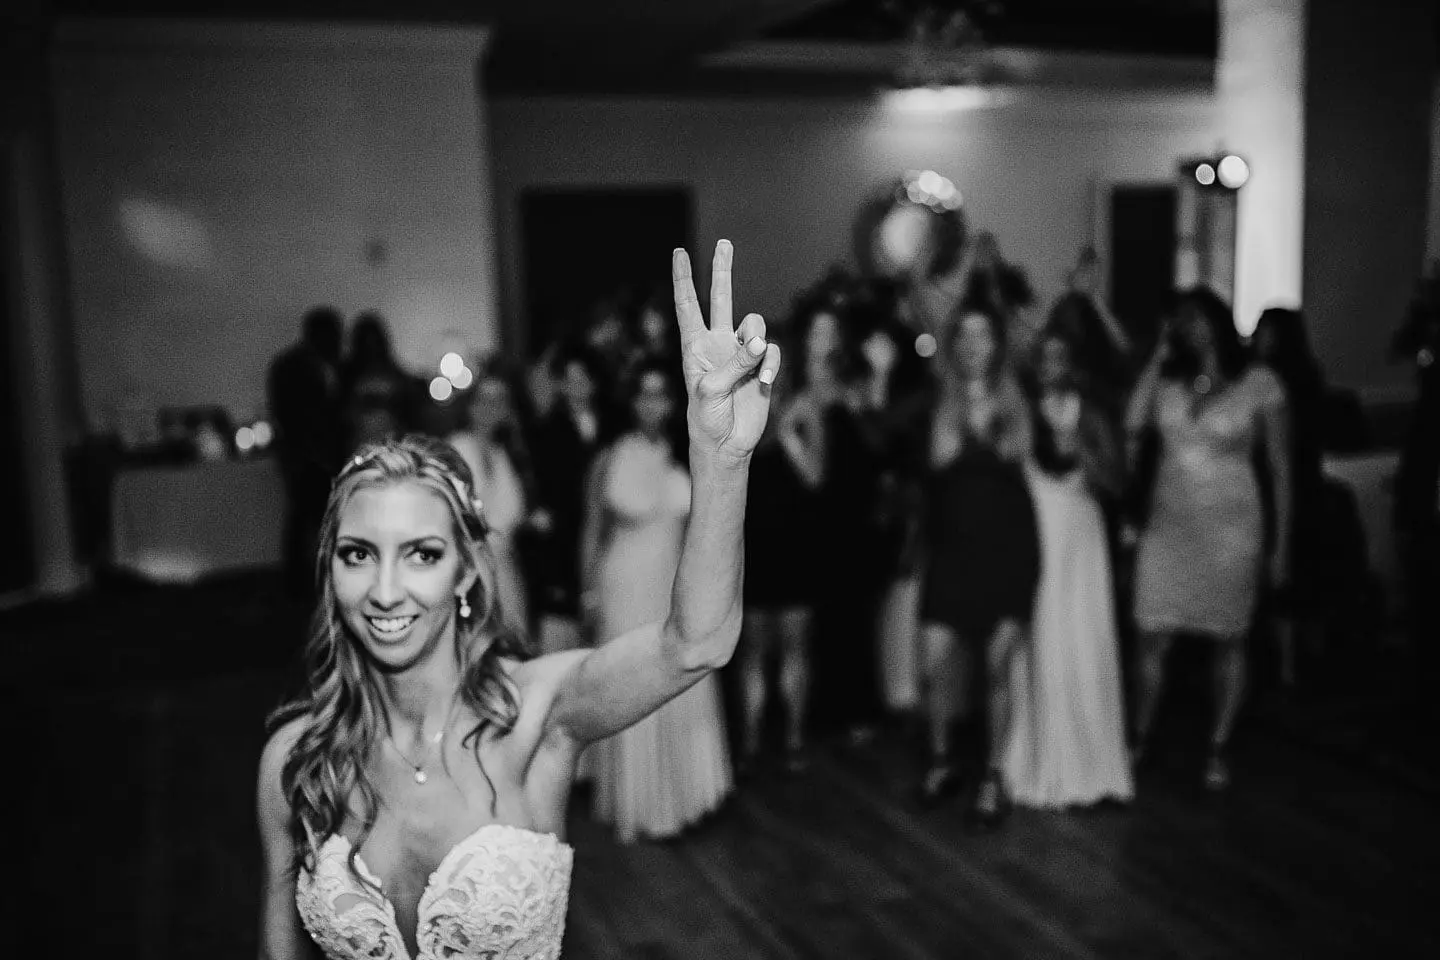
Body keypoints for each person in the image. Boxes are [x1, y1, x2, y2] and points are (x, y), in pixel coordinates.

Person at [255, 241, 781, 960]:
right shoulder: (293, 760)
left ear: (467, 573)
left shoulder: (537, 715)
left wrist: (720, 459)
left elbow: (698, 643)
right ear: (329, 572)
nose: (385, 589)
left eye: (421, 554)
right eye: (358, 554)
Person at [1126, 288, 1291, 791]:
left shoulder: (1260, 384)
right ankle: (1139, 737)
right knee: (1151, 631)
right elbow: (1132, 423)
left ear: (1217, 320)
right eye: (1182, 321)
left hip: (1232, 531)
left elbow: (1280, 471)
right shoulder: (1168, 383)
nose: (1190, 328)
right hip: (1167, 528)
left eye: (1197, 318)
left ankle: (1218, 744)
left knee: (1229, 638)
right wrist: (1157, 353)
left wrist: (1280, 546)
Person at [582, 359, 732, 841]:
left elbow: (701, 530)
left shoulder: (685, 450)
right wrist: (587, 592)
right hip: (624, 583)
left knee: (677, 678)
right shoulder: (612, 455)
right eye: (644, 394)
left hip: (671, 582)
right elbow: (592, 528)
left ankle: (682, 797)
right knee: (632, 682)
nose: (653, 404)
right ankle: (639, 801)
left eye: (661, 394)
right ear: (632, 401)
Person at [916, 306, 1039, 830]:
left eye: (982, 334)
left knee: (997, 667)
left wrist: (983, 420)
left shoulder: (1014, 401)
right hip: (952, 550)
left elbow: (1018, 451)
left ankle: (993, 776)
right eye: (963, 335)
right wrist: (964, 410)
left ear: (997, 344)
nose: (972, 344)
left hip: (1006, 549)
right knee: (932, 663)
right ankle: (942, 761)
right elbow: (939, 458)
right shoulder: (942, 398)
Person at [1002, 329, 1133, 809]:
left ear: (1074, 364)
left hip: (1079, 539)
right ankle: (1035, 759)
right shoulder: (1019, 413)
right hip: (1034, 534)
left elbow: (1117, 482)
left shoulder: (1089, 413)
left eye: (1059, 356)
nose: (1049, 365)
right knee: (1038, 639)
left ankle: (1090, 764)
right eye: (1044, 356)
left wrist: (1081, 448)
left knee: (1082, 639)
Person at [446, 359, 532, 639]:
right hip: (465, 568)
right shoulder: (457, 447)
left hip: (503, 570)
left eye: (499, 400)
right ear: (470, 405)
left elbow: (511, 516)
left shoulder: (504, 454)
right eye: (484, 399)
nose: (490, 408)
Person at [267, 306, 345, 598]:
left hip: (324, 453)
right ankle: (299, 584)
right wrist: (308, 451)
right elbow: (289, 413)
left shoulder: (331, 363)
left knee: (319, 517)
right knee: (304, 519)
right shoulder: (291, 366)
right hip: (304, 455)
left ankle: (318, 580)